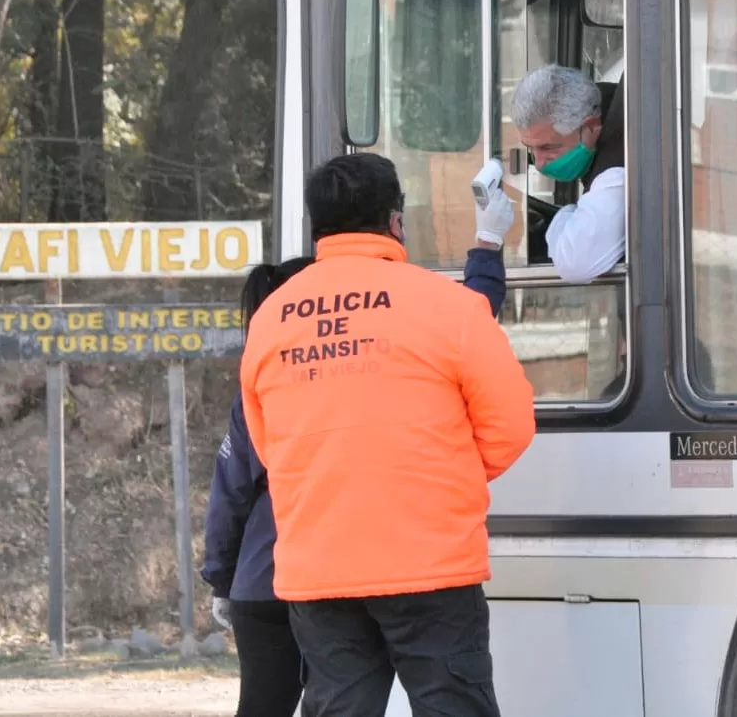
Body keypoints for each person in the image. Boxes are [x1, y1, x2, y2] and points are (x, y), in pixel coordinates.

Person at [200, 182, 517, 717]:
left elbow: (263, 447)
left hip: (317, 571)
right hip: (429, 563)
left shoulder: (272, 321)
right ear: (395, 223)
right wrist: (439, 481)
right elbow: (509, 426)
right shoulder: (446, 304)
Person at [511, 64, 625, 283]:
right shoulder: (608, 108)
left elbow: (575, 264)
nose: (540, 164)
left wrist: (567, 214)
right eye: (530, 149)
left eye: (548, 147)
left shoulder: (617, 169)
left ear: (590, 127)